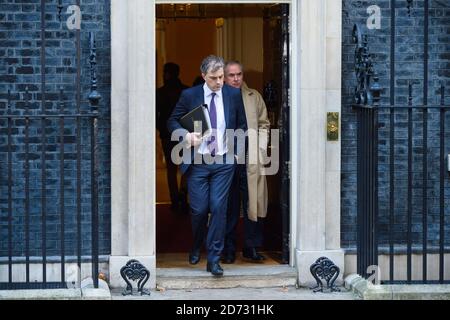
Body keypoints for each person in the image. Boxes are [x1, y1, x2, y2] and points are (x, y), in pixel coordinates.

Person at [167, 55, 247, 276]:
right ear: (204, 76)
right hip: (198, 162)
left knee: (219, 208)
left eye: (221, 77)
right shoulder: (190, 95)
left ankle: (214, 258)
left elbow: (242, 126)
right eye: (214, 78)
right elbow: (171, 121)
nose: (219, 82)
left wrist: (236, 155)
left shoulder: (233, 94)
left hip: (223, 161)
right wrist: (185, 135)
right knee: (199, 210)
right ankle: (196, 244)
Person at [222, 61, 270, 263]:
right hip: (225, 160)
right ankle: (229, 250)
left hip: (250, 158)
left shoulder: (254, 96)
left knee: (253, 204)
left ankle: (251, 247)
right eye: (231, 75)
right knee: (229, 206)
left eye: (239, 74)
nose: (235, 78)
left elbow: (264, 124)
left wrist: (259, 150)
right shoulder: (217, 97)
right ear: (224, 77)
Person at [156, 62, 189, 212]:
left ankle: (174, 199)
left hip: (168, 135)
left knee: (171, 168)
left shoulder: (160, 92)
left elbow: (156, 115)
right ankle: (183, 194)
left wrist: (161, 129)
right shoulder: (186, 91)